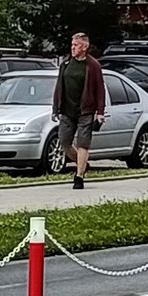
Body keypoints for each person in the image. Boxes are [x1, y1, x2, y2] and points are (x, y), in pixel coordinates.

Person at [52, 30, 105, 189]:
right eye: (72, 45)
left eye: (75, 45)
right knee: (64, 141)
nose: (72, 48)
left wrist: (100, 112)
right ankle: (82, 163)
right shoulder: (66, 63)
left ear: (84, 47)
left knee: (83, 143)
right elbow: (59, 86)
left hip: (85, 110)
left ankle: (79, 176)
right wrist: (55, 107)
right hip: (66, 110)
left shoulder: (93, 65)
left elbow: (100, 90)